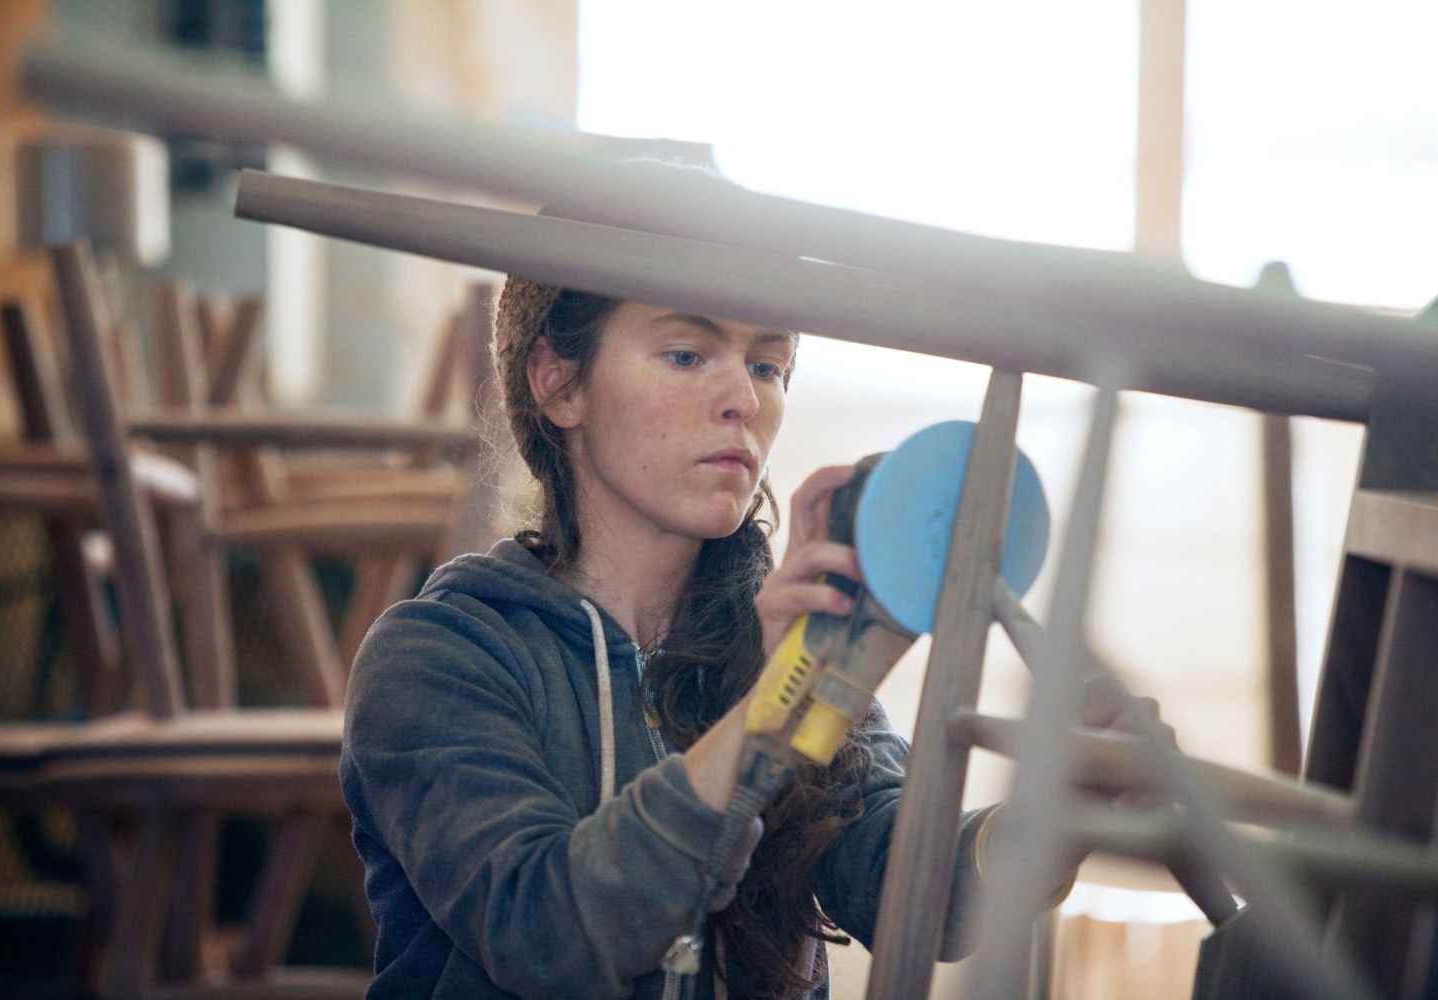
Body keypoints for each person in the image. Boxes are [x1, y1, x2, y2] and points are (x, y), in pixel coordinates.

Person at [339, 274, 1100, 998]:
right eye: (685, 355)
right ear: (558, 382)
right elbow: (549, 935)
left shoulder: (785, 647)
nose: (745, 399)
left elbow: (912, 896)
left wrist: (1061, 813)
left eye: (768, 366)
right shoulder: (437, 655)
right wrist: (772, 711)